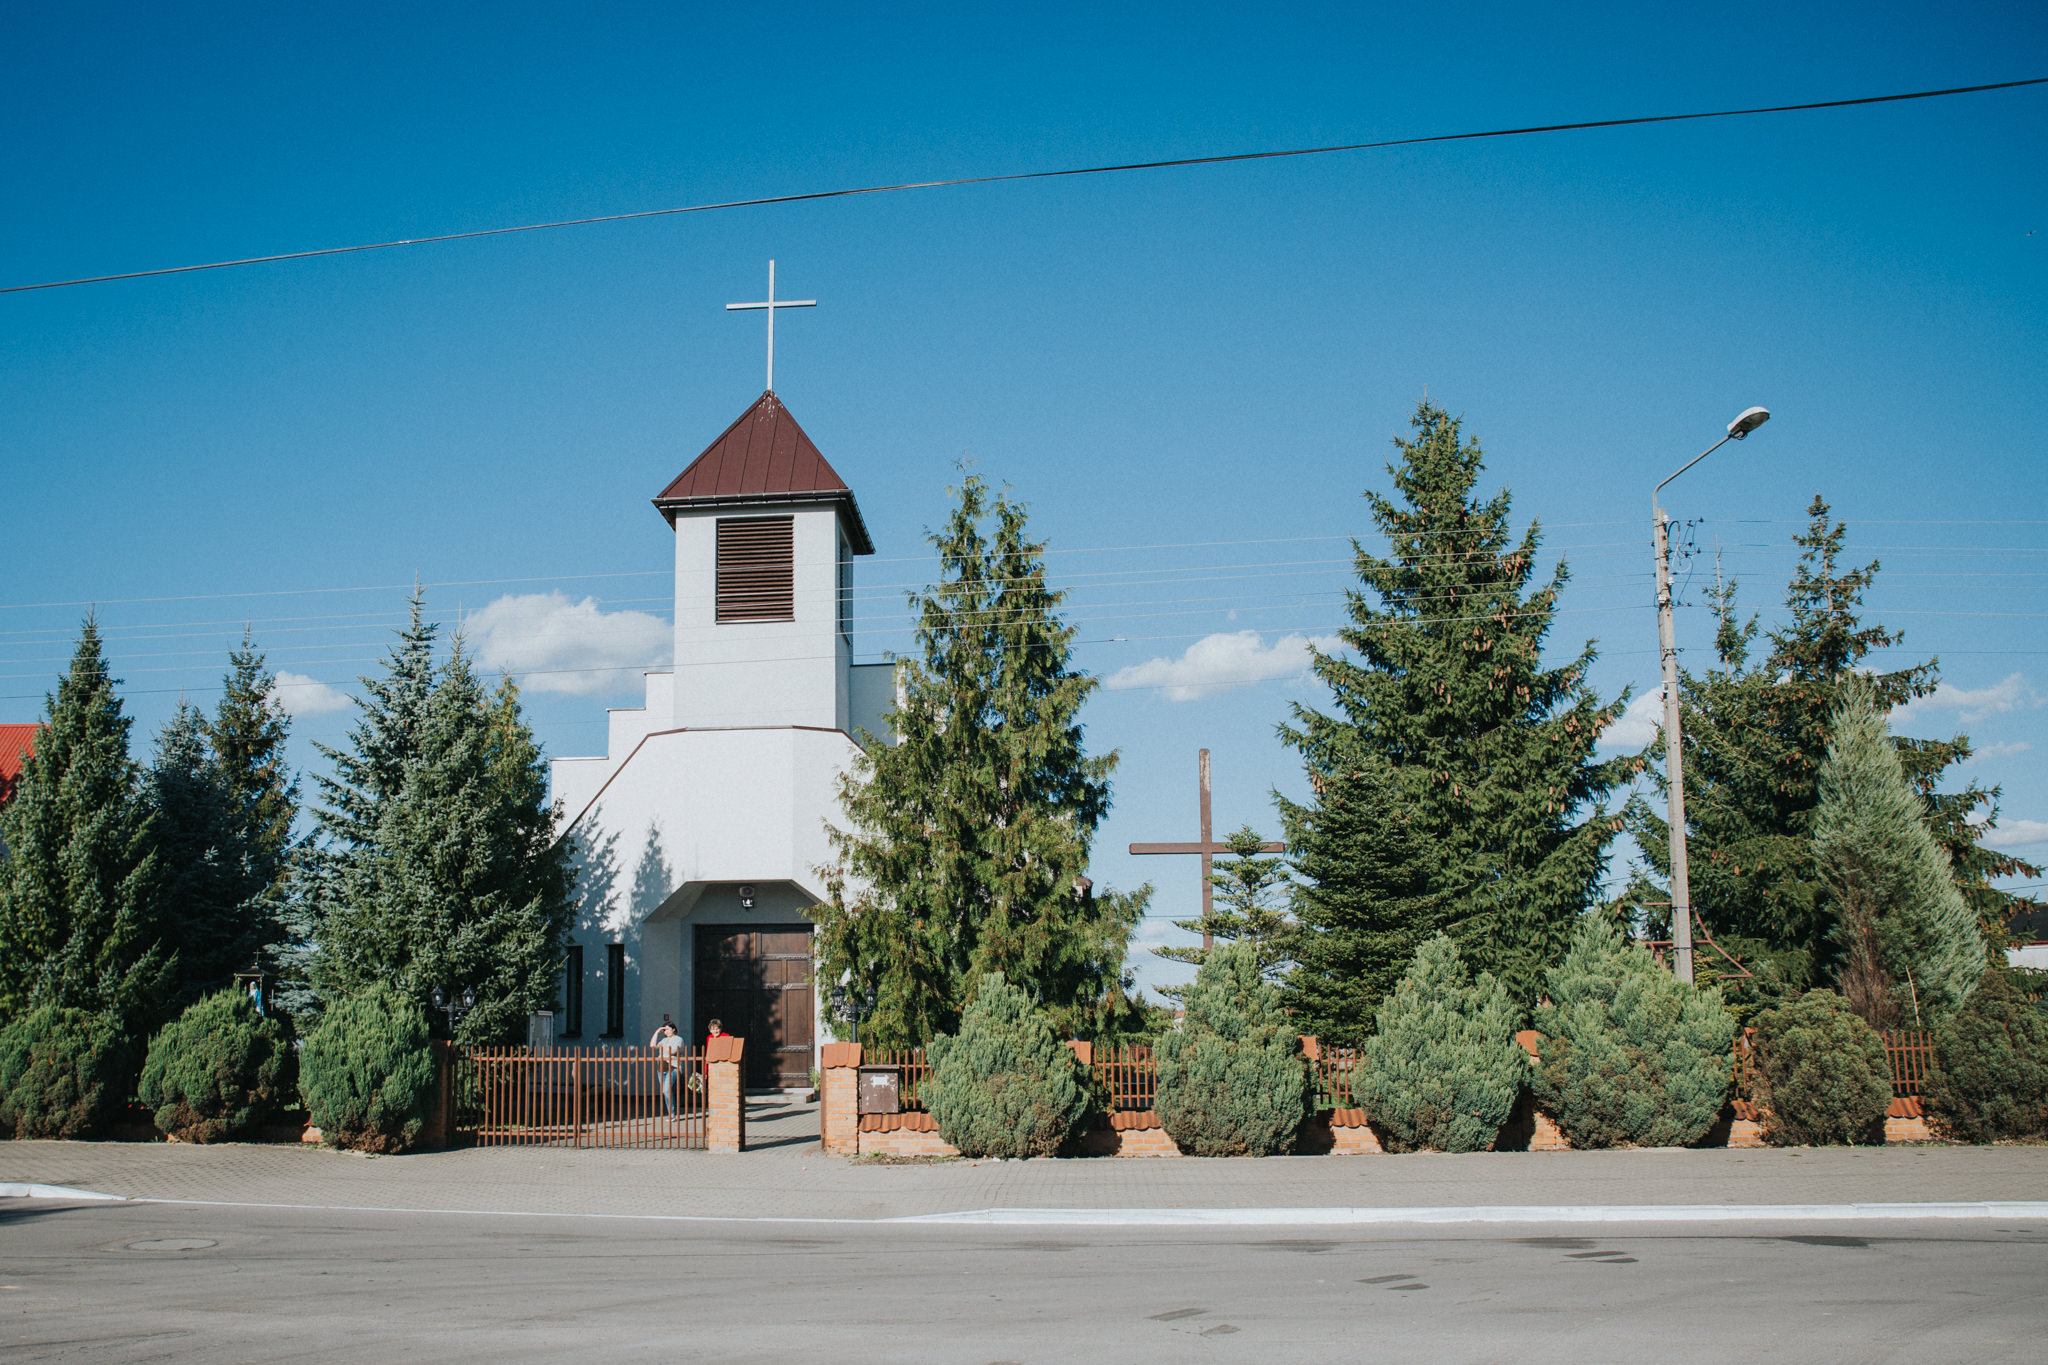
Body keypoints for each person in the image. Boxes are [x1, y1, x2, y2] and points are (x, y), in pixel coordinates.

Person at [654, 1023, 685, 1117]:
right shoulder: (663, 1040)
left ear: (673, 1029)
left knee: (667, 1090)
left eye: (668, 1029)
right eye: (664, 1030)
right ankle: (671, 1112)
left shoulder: (678, 1039)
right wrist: (657, 1032)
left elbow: (672, 1051)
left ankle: (672, 1113)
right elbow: (652, 1045)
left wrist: (662, 1046)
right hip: (661, 1067)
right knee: (665, 1091)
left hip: (673, 1067)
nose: (666, 1032)